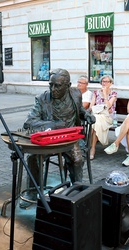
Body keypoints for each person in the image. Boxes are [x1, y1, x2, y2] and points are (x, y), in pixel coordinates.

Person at [21, 68, 95, 208]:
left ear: (68, 86)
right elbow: (29, 122)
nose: (53, 89)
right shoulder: (42, 99)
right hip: (50, 141)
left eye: (57, 86)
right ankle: (32, 191)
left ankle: (77, 190)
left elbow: (79, 111)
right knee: (32, 157)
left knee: (77, 159)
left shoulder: (76, 94)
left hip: (71, 139)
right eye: (51, 85)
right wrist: (54, 125)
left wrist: (86, 115)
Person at [89, 75, 117, 160]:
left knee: (94, 122)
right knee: (95, 122)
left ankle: (90, 148)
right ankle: (92, 148)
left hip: (107, 117)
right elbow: (91, 106)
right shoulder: (95, 92)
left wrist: (105, 94)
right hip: (96, 115)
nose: (104, 83)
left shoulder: (113, 94)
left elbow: (108, 106)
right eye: (103, 81)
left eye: (107, 81)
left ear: (111, 83)